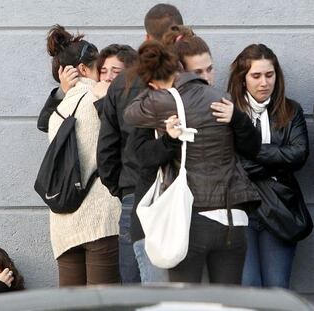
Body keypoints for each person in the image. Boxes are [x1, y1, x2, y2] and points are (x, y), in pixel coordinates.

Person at [123, 38, 261, 284]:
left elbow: (130, 113)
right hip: (232, 218)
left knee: (185, 301)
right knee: (227, 303)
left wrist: (153, 85)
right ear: (181, 69)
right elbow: (254, 148)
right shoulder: (223, 98)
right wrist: (238, 118)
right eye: (199, 71)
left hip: (190, 218)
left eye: (209, 69)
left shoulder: (161, 102)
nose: (207, 76)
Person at [97, 2, 184, 284]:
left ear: (146, 38)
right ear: (180, 37)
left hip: (134, 194)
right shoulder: (189, 78)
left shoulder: (122, 83)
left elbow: (107, 150)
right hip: (182, 193)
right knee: (181, 287)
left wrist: (121, 187)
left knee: (134, 288)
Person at [227, 43, 309, 288]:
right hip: (241, 209)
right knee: (248, 286)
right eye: (256, 76)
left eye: (269, 75)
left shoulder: (291, 110)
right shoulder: (229, 112)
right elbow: (229, 163)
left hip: (279, 207)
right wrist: (274, 163)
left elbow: (298, 154)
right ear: (243, 79)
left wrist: (251, 153)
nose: (264, 82)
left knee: (276, 287)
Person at [46, 24, 121, 286]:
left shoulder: (57, 112)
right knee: (104, 303)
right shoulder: (102, 97)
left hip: (63, 223)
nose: (104, 74)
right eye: (99, 68)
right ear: (84, 69)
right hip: (100, 216)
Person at [37, 44, 137, 132]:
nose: (107, 78)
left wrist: (103, 99)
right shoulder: (91, 96)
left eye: (116, 72)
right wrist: (62, 91)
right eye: (102, 71)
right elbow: (44, 124)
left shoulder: (139, 99)